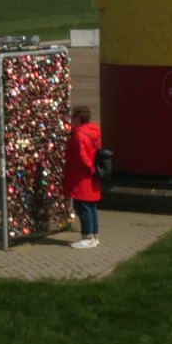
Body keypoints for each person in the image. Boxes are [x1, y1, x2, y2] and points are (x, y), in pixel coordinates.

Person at [62, 104, 103, 248]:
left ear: (78, 118)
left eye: (72, 117)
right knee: (92, 207)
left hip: (81, 176)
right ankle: (94, 236)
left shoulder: (79, 135)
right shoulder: (93, 131)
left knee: (82, 207)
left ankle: (87, 237)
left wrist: (89, 168)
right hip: (91, 176)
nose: (71, 120)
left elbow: (81, 156)